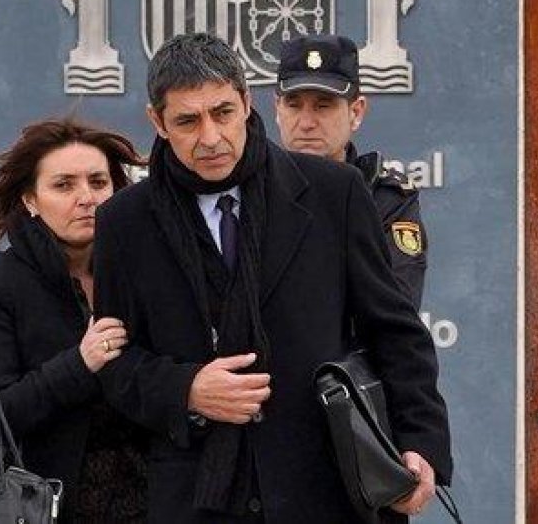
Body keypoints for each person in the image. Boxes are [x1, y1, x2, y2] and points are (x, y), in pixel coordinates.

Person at [92, 32, 451, 523]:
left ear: (247, 101)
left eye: (222, 112)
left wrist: (419, 445)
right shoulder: (123, 222)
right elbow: (115, 363)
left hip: (325, 489)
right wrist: (186, 389)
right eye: (187, 121)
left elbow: (394, 332)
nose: (211, 137)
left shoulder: (334, 193)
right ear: (157, 122)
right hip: (196, 495)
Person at [0, 117, 147, 523]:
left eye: (98, 183)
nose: (86, 198)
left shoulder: (143, 272)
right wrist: (78, 364)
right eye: (64, 185)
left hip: (148, 501)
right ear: (31, 200)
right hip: (45, 506)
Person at [273, 34, 427, 307]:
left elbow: (395, 309)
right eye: (294, 104)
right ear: (277, 109)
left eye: (323, 105)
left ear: (356, 112)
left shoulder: (384, 197)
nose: (306, 122)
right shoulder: (252, 188)